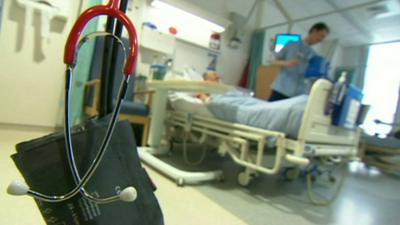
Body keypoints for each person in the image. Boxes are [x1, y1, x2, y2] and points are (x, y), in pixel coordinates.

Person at [269, 22, 330, 102]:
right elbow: (272, 61)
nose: (321, 40)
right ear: (314, 31)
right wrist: (286, 63)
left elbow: (313, 77)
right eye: (321, 36)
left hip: (298, 95)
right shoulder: (291, 44)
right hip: (281, 89)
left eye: (323, 38)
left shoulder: (314, 56)